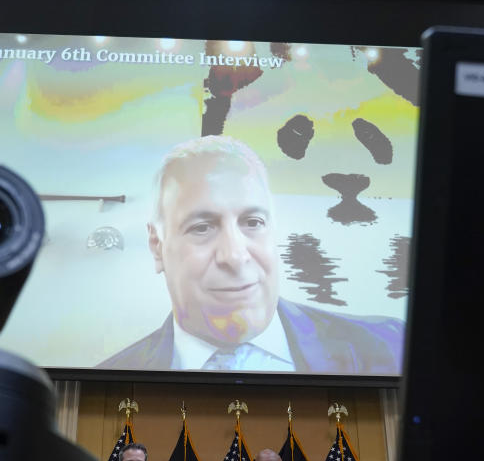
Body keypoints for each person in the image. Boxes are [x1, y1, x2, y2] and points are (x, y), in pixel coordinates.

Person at [98, 135, 403, 373]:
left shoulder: (391, 345)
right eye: (202, 227)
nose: (234, 256)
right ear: (157, 246)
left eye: (253, 222)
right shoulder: (111, 375)